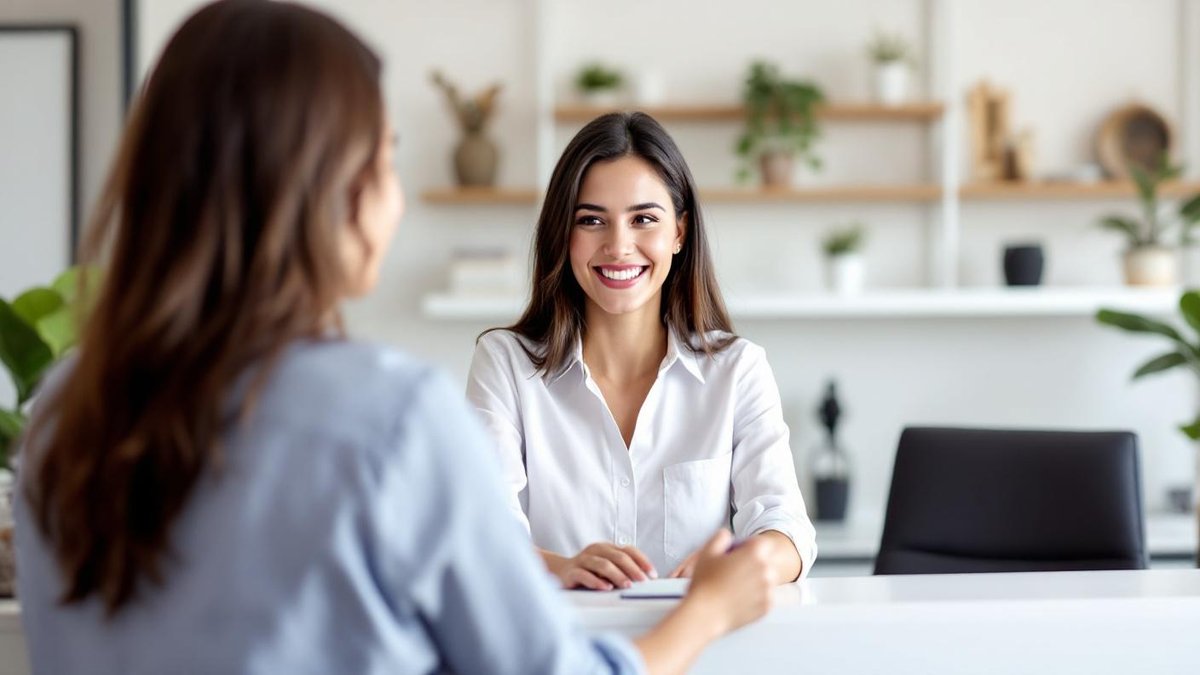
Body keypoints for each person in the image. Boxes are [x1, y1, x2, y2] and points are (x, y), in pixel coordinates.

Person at [12, 2, 776, 673]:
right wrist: (704, 613)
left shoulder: (60, 414)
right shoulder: (390, 417)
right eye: (384, 159)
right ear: (330, 195)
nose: (395, 199)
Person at [466, 112, 817, 591]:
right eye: (591, 220)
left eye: (644, 219)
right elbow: (481, 534)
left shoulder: (737, 369)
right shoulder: (505, 363)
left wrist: (743, 563)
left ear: (679, 233)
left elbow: (787, 529)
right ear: (562, 236)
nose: (618, 245)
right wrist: (562, 568)